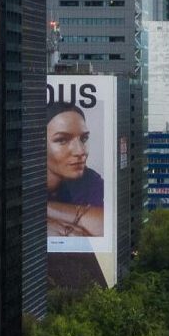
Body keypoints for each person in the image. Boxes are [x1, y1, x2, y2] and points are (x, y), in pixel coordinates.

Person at [44, 101, 104, 238]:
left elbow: (106, 226)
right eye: (62, 140)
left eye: (84, 138)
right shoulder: (20, 182)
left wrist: (39, 209)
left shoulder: (89, 179)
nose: (80, 151)